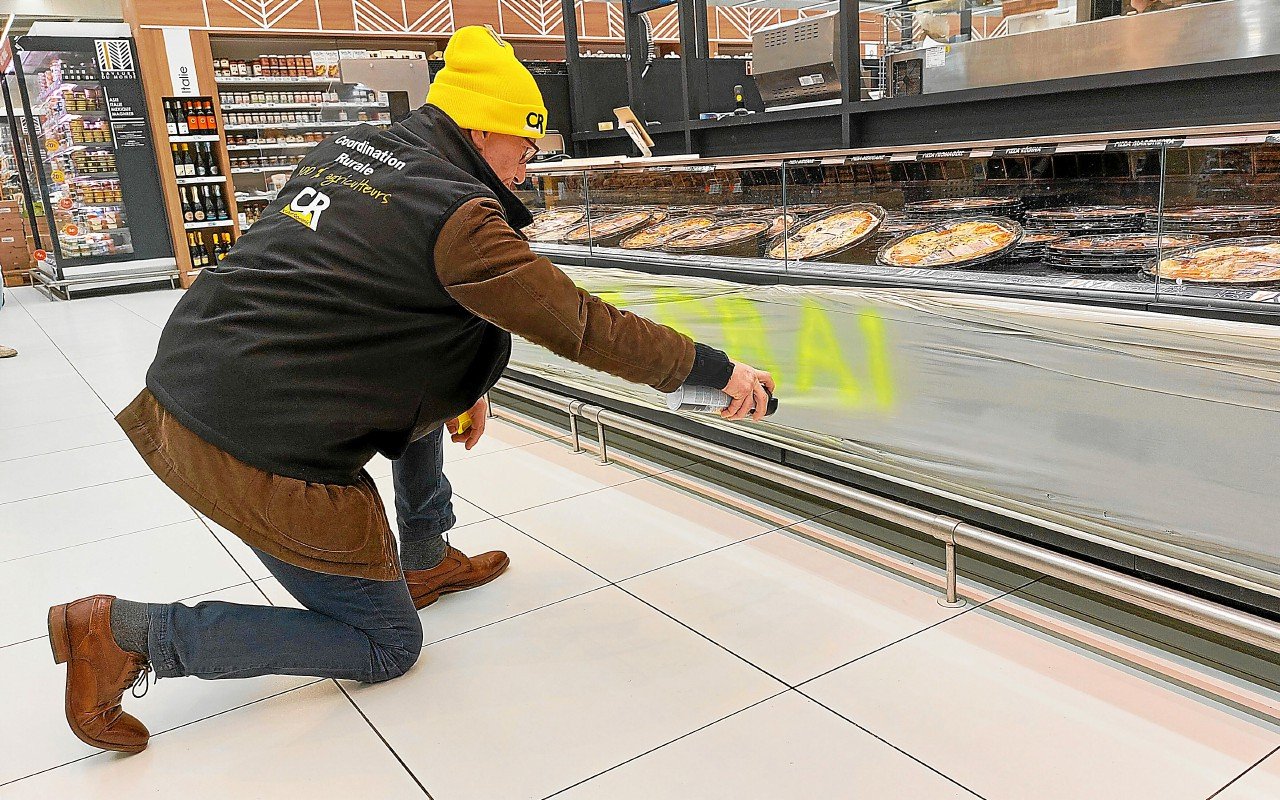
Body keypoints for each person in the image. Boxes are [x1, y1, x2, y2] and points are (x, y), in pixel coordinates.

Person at [46, 25, 776, 755]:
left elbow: (368, 284)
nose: (529, 162)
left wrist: (463, 379)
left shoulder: (351, 149)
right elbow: (582, 326)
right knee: (386, 644)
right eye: (525, 143)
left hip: (193, 379)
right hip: (249, 446)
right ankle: (128, 634)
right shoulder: (461, 217)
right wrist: (715, 372)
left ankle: (423, 555)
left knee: (433, 404)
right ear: (482, 129)